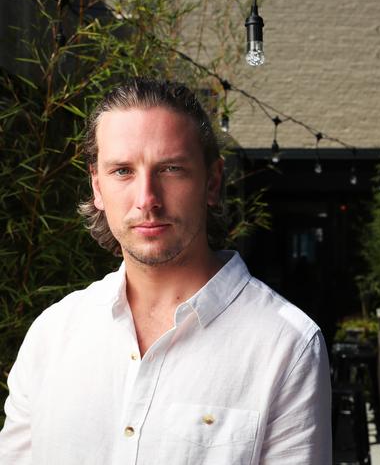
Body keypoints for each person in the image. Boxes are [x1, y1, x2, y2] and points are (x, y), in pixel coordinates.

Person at [0, 78, 332, 464]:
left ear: (213, 182)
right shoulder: (51, 334)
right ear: (96, 187)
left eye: (171, 169)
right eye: (122, 171)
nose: (147, 200)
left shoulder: (286, 346)